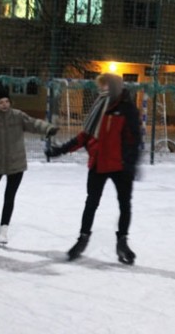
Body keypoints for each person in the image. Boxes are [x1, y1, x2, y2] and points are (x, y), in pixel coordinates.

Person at [45, 73, 142, 264]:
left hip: (120, 166)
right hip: (98, 163)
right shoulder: (99, 106)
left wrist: (130, 164)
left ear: (113, 87)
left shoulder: (127, 109)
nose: (102, 89)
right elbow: (85, 136)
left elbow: (135, 139)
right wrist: (61, 150)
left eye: (105, 86)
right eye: (101, 86)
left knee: (124, 204)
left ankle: (122, 242)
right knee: (91, 203)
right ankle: (82, 238)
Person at [0, 84, 58, 245]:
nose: (4, 105)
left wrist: (48, 128)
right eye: (1, 102)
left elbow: (33, 123)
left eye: (6, 101)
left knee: (9, 197)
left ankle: (3, 229)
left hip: (16, 163)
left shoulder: (18, 116)